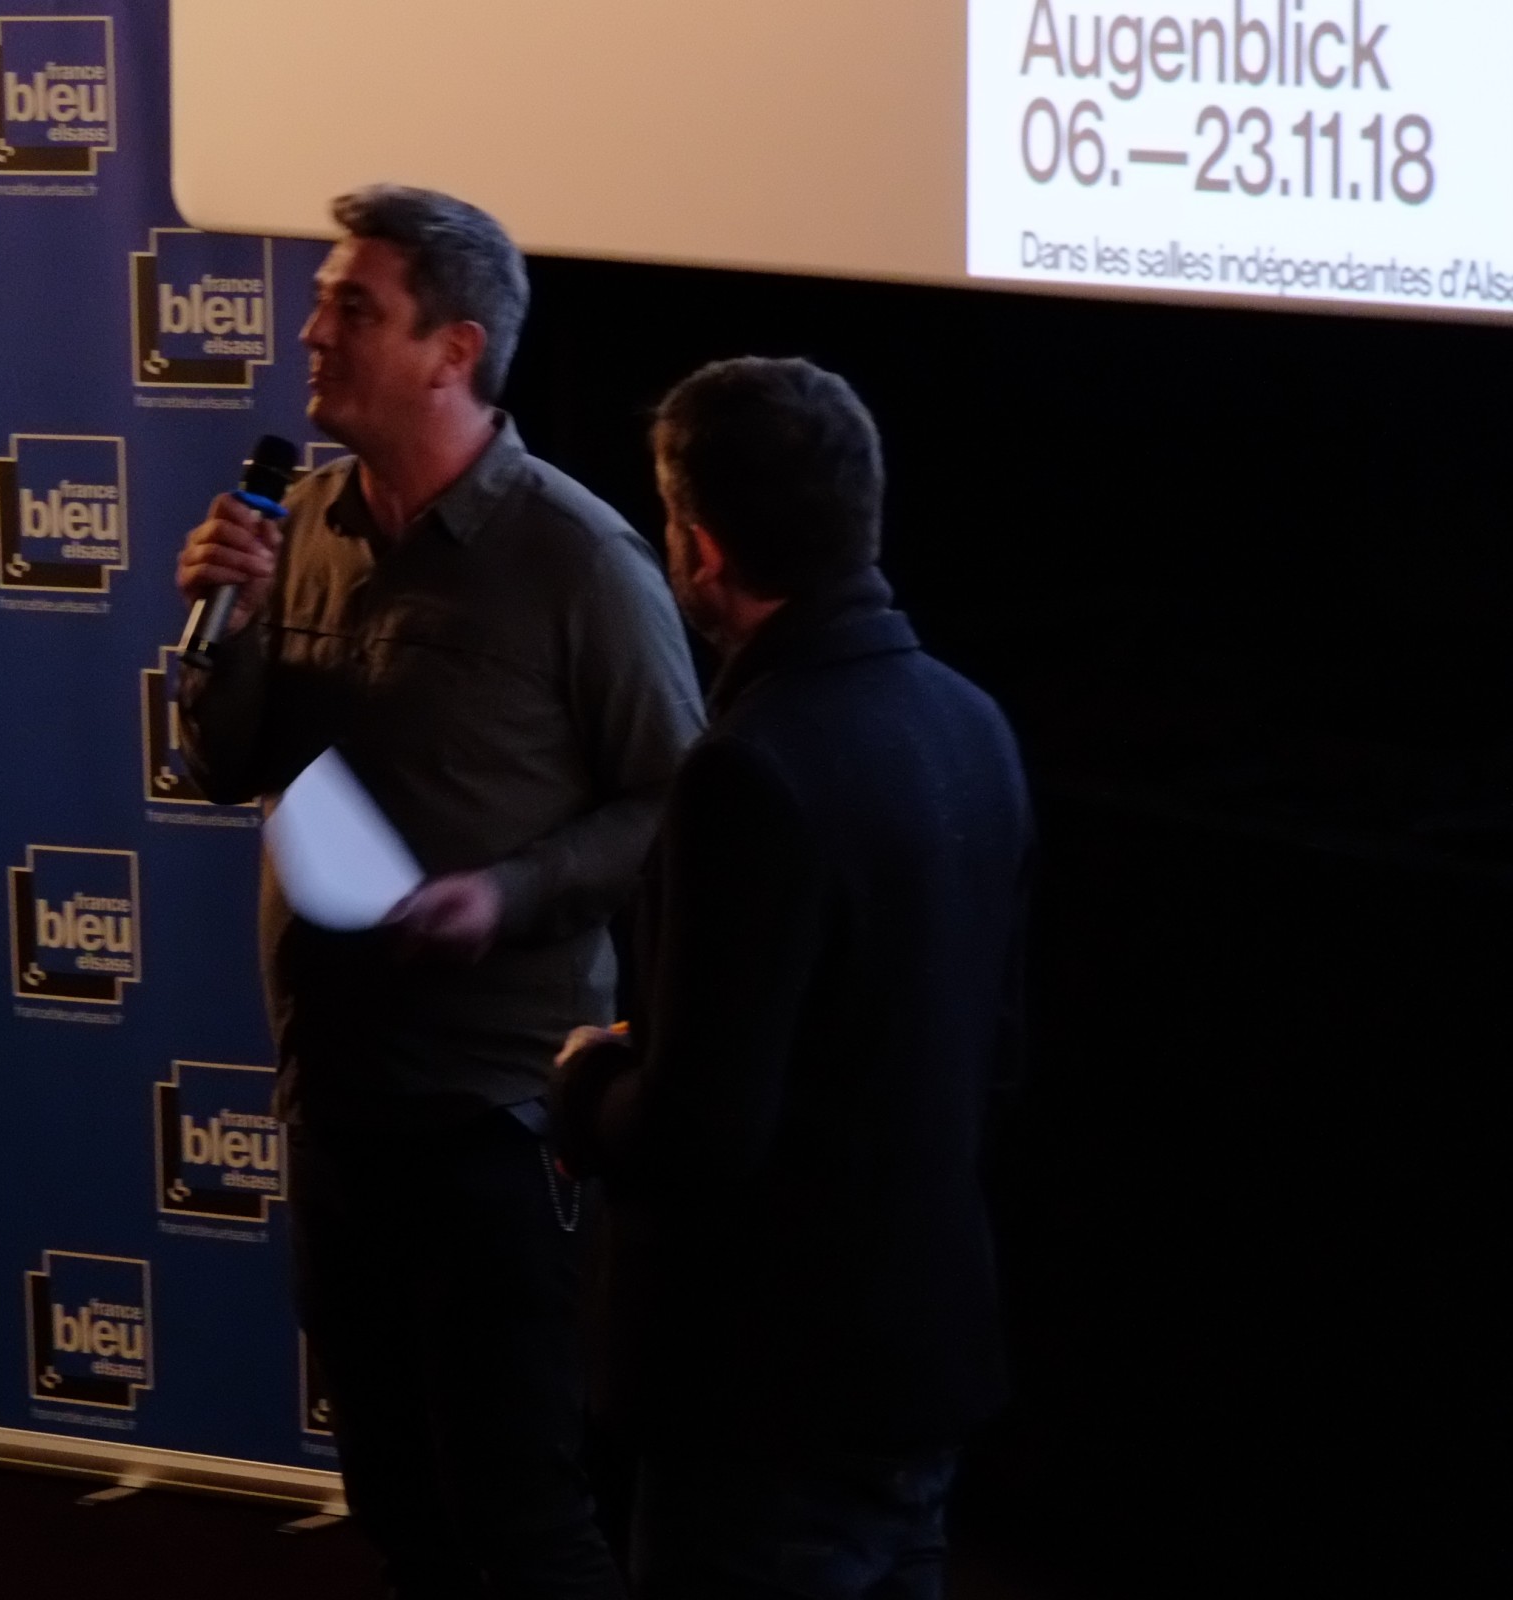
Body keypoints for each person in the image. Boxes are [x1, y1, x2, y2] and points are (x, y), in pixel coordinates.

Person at [175, 185, 704, 1598]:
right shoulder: (298, 525)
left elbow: (679, 803)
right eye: (319, 303)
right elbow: (223, 767)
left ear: (453, 351)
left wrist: (508, 894)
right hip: (336, 1098)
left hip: (499, 1117)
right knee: (396, 1497)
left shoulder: (578, 558)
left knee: (522, 1517)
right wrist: (221, 633)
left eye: (354, 308)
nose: (311, 332)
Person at [552, 357, 1033, 1599]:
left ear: (703, 550)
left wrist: (589, 1082)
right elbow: (992, 1054)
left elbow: (700, 1130)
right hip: (920, 1363)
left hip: (766, 1402)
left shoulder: (750, 770)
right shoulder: (971, 721)